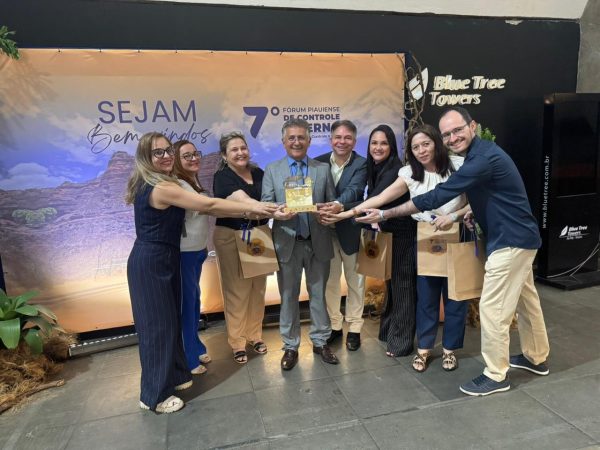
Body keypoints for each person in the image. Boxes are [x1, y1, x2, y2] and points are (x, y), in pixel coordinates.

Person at [356, 107, 550, 396]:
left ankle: (496, 374)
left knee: (493, 309)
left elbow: (437, 196)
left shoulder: (480, 159)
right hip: (517, 238)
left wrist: (385, 214)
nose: (452, 137)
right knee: (526, 300)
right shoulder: (478, 156)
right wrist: (471, 212)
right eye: (447, 134)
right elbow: (489, 196)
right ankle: (536, 357)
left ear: (473, 126)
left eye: (458, 130)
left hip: (510, 242)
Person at [126, 132, 277, 413]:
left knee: (171, 323)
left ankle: (176, 375)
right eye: (158, 152)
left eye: (168, 150)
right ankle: (153, 396)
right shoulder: (160, 186)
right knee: (157, 330)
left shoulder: (166, 182)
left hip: (167, 258)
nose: (166, 156)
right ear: (145, 157)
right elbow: (209, 205)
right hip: (151, 261)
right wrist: (255, 207)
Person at [327, 124, 470, 370]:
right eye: (415, 147)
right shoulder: (409, 173)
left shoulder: (460, 165)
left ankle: (449, 349)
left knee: (455, 297)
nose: (421, 150)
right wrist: (348, 213)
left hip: (456, 235)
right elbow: (380, 198)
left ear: (436, 143)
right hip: (424, 237)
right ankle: (424, 348)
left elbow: (476, 201)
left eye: (426, 144)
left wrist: (455, 216)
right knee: (425, 296)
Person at [261, 118, 339, 370]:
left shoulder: (322, 169)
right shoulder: (272, 169)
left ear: (309, 140)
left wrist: (325, 211)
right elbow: (266, 203)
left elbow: (332, 202)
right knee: (288, 296)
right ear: (283, 142)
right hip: (287, 242)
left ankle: (320, 341)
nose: (296, 142)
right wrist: (279, 211)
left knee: (318, 295)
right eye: (291, 138)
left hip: (318, 242)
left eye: (301, 137)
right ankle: (290, 346)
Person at [340, 124, 418, 357]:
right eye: (374, 143)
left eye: (384, 143)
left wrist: (342, 210)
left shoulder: (396, 169)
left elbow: (376, 199)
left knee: (403, 287)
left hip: (403, 234)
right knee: (392, 285)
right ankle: (388, 331)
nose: (378, 147)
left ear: (392, 146)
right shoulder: (375, 167)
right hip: (388, 233)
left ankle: (401, 343)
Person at [213, 132, 270, 364]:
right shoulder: (222, 176)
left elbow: (272, 194)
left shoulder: (259, 173)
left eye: (243, 148)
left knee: (258, 290)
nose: (240, 153)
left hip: (259, 236)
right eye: (234, 150)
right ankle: (237, 342)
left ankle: (254, 336)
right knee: (237, 291)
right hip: (232, 236)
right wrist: (271, 209)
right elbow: (243, 200)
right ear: (224, 156)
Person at [314, 120, 367, 351]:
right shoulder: (318, 162)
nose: (342, 142)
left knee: (356, 281)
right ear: (331, 139)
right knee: (330, 281)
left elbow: (355, 190)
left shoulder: (362, 164)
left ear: (354, 141)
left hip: (351, 230)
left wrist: (337, 205)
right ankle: (335, 326)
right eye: (338, 137)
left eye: (347, 138)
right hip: (325, 231)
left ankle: (354, 328)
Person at [171, 140, 211, 375]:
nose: (194, 158)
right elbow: (209, 207)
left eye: (196, 153)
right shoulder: (178, 184)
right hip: (184, 253)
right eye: (187, 156)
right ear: (176, 160)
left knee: (194, 301)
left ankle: (196, 347)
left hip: (197, 251)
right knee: (187, 305)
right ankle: (188, 358)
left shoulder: (192, 181)